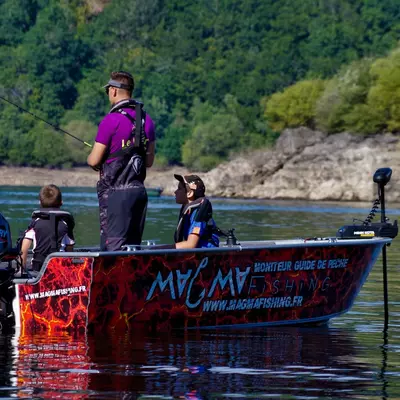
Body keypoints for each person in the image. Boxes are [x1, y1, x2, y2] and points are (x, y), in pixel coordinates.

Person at [87, 71, 156, 251]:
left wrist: (95, 159)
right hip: (139, 193)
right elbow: (148, 162)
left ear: (114, 90)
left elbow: (93, 160)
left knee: (113, 250)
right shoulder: (147, 121)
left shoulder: (111, 120)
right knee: (133, 248)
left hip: (116, 196)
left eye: (108, 90)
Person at [20, 184, 75, 271]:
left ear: (39, 202)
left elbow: (25, 246)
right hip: (60, 268)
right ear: (61, 202)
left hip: (38, 267)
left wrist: (21, 269)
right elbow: (69, 249)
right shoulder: (65, 224)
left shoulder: (35, 223)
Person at [174, 174, 219, 248]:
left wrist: (161, 248)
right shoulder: (188, 212)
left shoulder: (198, 213)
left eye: (179, 189)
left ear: (189, 193)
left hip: (206, 253)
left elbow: (191, 245)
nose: (175, 192)